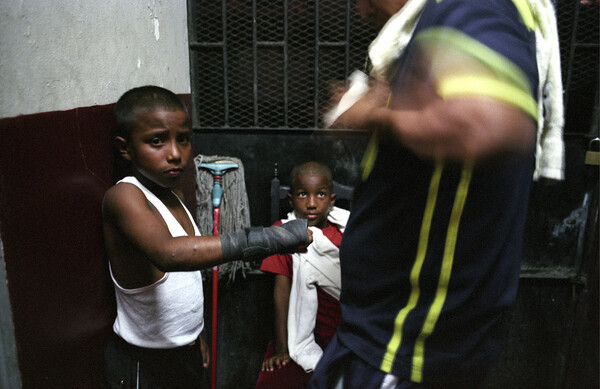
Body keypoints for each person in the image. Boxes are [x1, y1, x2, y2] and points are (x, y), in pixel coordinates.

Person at [310, 0, 543, 388]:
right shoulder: (436, 23)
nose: (360, 12)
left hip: (405, 342)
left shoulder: (468, 7)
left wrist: (372, 115)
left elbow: (488, 123)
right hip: (384, 335)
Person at [102, 85, 312, 389]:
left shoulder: (173, 194)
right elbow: (169, 254)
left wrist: (193, 335)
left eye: (183, 139)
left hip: (184, 354)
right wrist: (270, 238)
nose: (175, 154)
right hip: (145, 364)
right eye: (157, 141)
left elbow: (180, 284)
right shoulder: (124, 196)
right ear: (126, 148)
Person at [255, 161, 350, 389]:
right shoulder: (283, 232)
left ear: (332, 200)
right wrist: (281, 349)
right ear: (290, 200)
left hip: (344, 327)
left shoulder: (345, 232)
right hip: (305, 329)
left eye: (320, 194)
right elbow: (281, 293)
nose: (311, 203)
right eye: (302, 194)